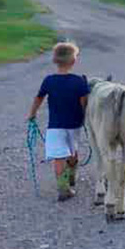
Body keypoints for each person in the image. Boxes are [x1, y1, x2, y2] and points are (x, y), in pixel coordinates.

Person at [27, 42, 89, 201]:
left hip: (55, 126)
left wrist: (32, 114)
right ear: (73, 61)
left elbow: (39, 98)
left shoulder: (49, 80)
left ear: (55, 60)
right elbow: (84, 103)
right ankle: (71, 176)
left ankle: (63, 188)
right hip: (74, 124)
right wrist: (86, 116)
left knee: (58, 157)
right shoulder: (79, 81)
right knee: (72, 150)